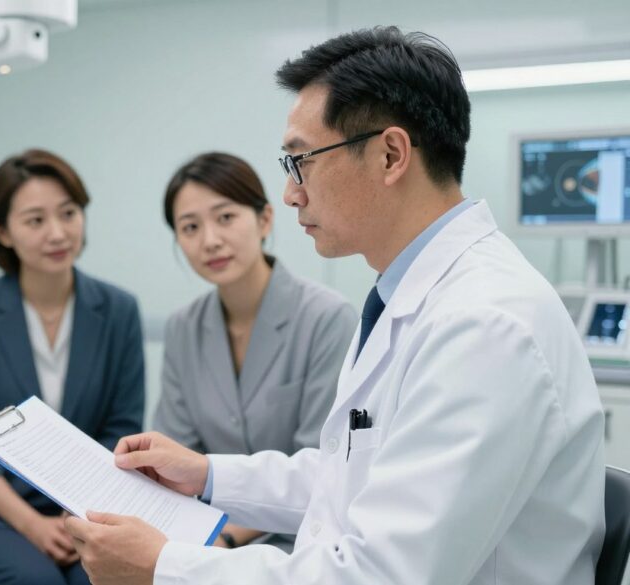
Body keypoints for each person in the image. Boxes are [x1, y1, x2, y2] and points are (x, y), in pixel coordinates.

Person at [64, 27, 605, 585]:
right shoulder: (409, 298)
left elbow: (383, 574)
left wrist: (164, 567)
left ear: (391, 154)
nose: (292, 192)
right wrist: (207, 474)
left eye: (302, 161)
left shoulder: (484, 325)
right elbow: (350, 476)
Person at [0, 148, 145, 585]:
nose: (57, 233)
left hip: (88, 507)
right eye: (35, 220)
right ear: (3, 231)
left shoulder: (119, 310)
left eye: (68, 213)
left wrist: (77, 513)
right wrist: (31, 523)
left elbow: (120, 426)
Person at [153, 151, 356, 552]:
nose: (210, 240)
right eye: (190, 227)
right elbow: (174, 449)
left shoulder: (327, 318)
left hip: (303, 539)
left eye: (225, 217)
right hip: (201, 538)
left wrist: (226, 539)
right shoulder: (182, 329)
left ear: (264, 219)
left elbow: (324, 467)